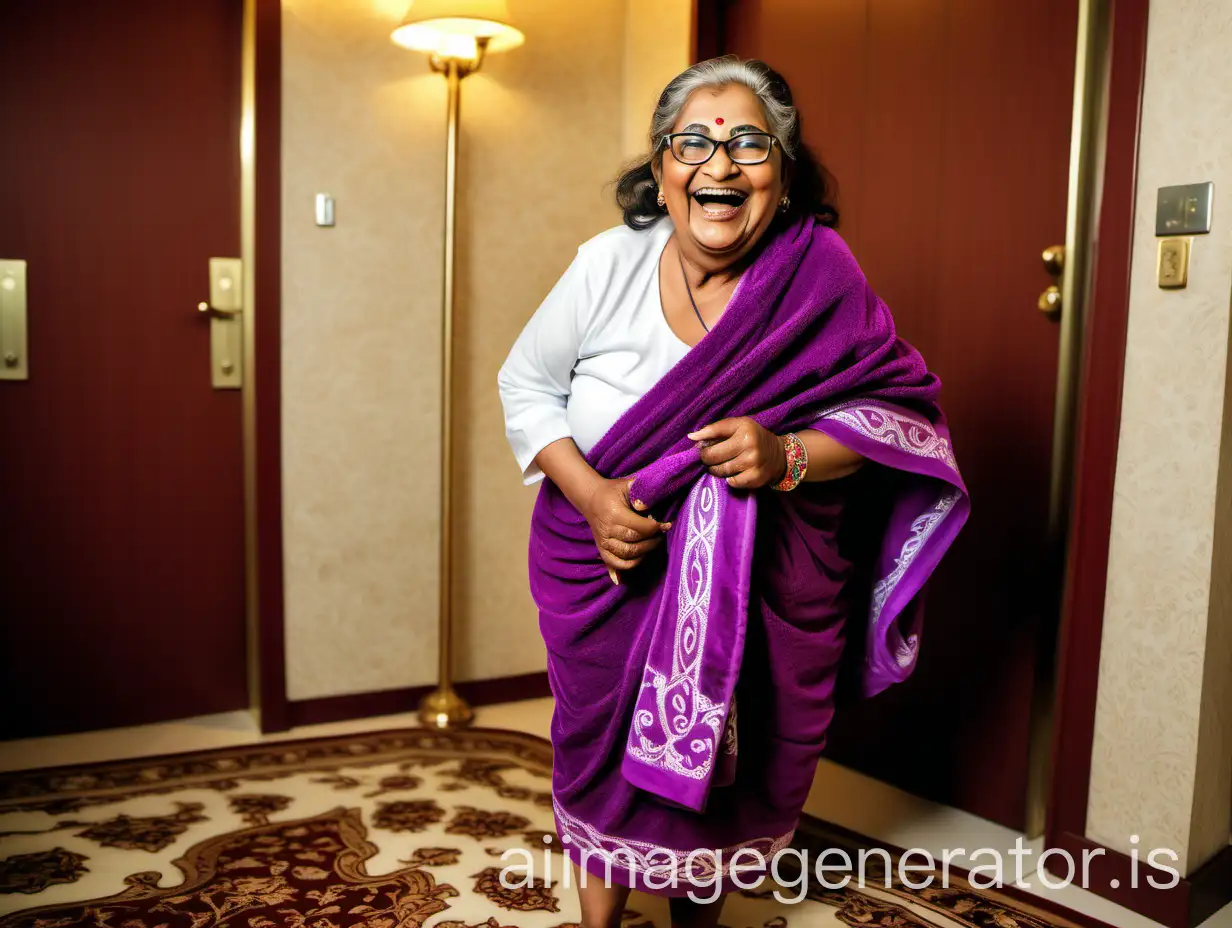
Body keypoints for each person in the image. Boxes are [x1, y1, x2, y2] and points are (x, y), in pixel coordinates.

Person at [497, 55, 969, 928]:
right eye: (694, 144)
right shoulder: (608, 264)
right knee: (593, 750)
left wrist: (787, 455)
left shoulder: (819, 274)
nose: (720, 165)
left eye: (749, 143)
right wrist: (598, 499)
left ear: (783, 175)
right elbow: (526, 386)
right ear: (660, 167)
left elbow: (894, 415)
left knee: (731, 751)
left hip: (759, 579)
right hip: (604, 564)